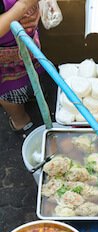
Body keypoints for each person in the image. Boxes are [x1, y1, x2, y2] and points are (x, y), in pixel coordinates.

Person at [0, 0, 44, 134]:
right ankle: (20, 121)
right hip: (5, 60)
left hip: (25, 42)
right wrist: (23, 6)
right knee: (11, 94)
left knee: (32, 75)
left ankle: (31, 93)